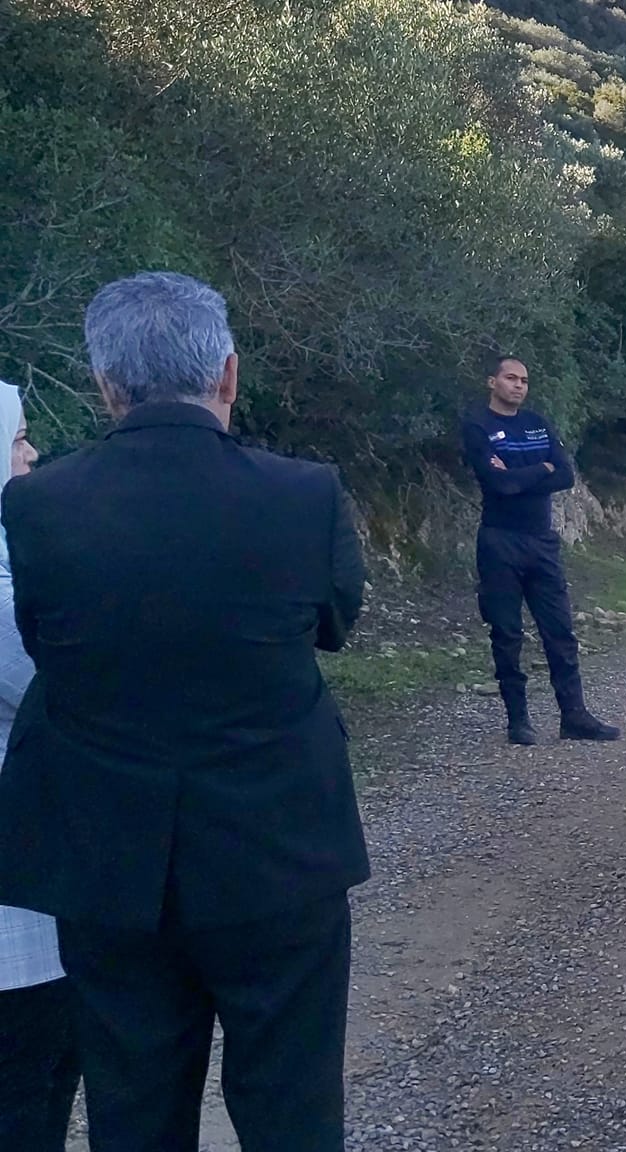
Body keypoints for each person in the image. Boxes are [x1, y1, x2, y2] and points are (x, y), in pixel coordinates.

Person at [0, 271, 369, 1148]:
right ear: (228, 373)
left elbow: (45, 643)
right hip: (278, 846)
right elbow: (334, 622)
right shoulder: (304, 493)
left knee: (131, 1107)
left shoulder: (37, 504)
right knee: (292, 1106)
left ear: (105, 384)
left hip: (109, 856)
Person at [460, 355, 620, 745]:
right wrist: (541, 470)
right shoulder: (477, 425)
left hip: (542, 541)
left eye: (524, 380)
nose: (518, 385)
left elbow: (564, 475)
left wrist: (523, 473)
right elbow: (499, 485)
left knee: (560, 630)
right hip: (500, 541)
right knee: (507, 632)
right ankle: (518, 720)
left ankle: (574, 716)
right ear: (492, 382)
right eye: (511, 378)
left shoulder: (537, 423)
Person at [0, 383, 76, 1152]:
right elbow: (67, 687)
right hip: (14, 909)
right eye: (18, 438)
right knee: (28, 1087)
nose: (32, 453)